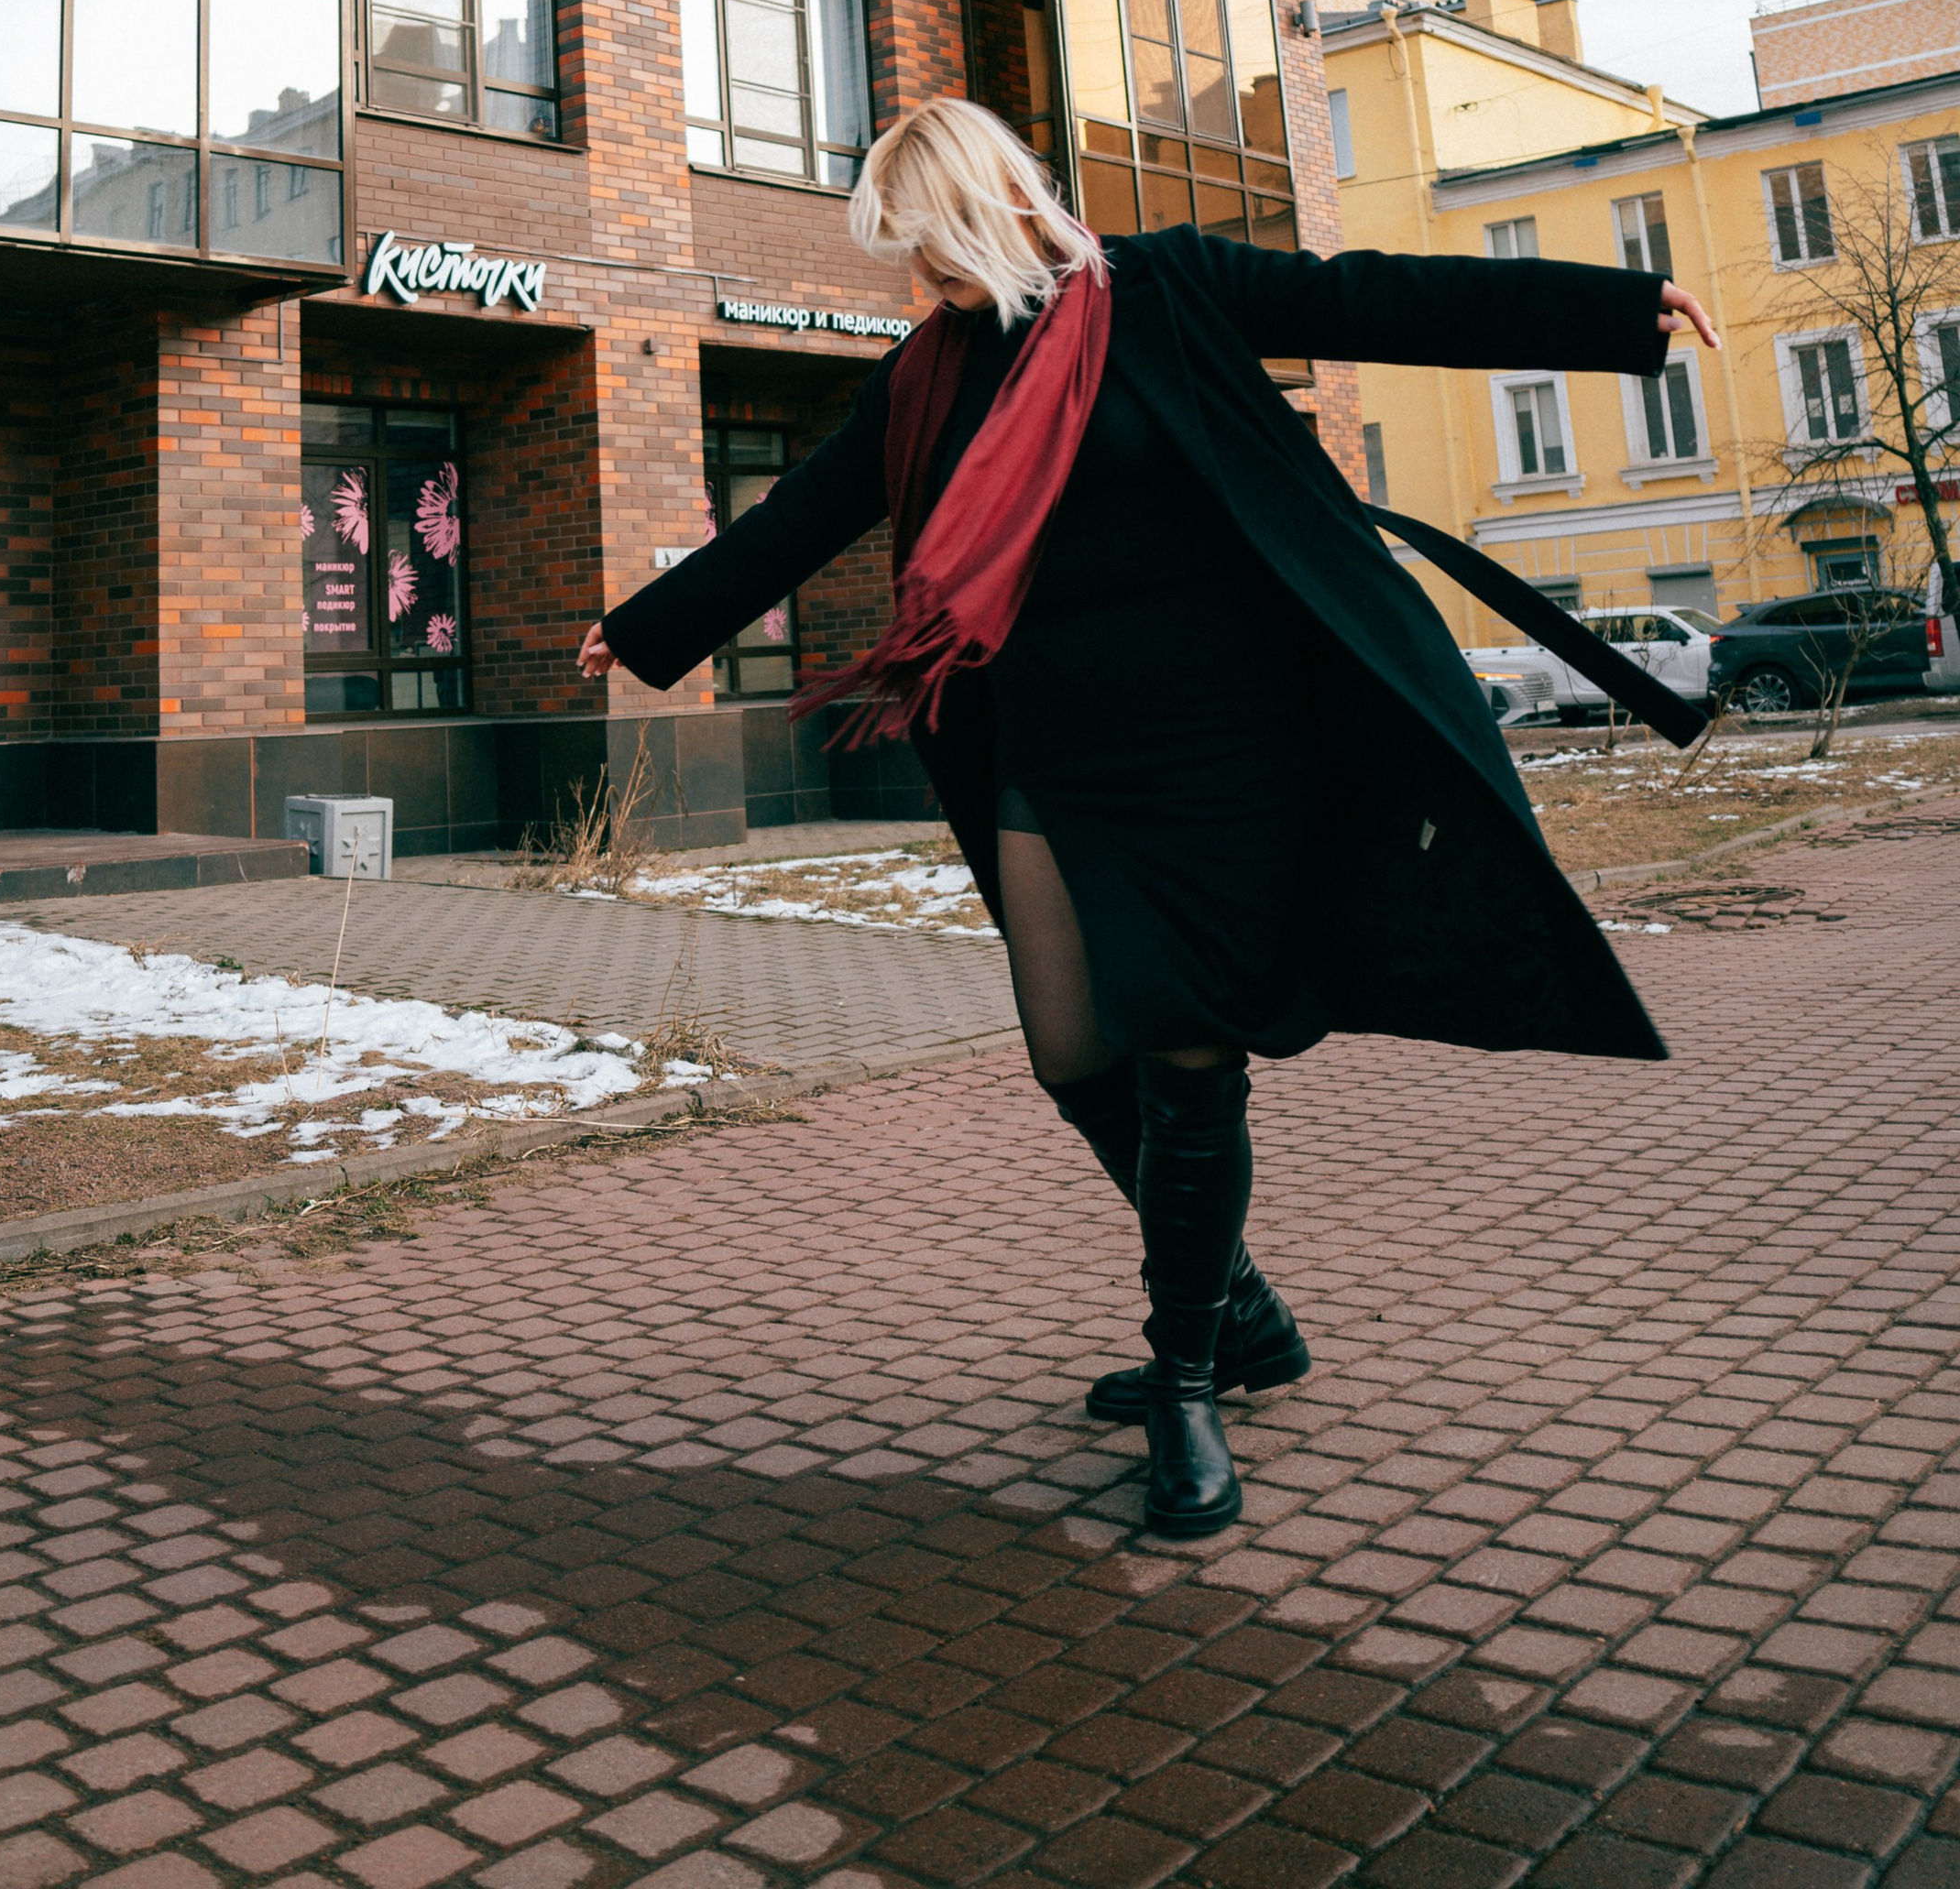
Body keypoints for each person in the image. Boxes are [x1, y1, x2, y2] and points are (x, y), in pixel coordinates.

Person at [580, 97, 1720, 1541]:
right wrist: (643, 630)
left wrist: (1618, 310)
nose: (915, 279)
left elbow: (1375, 294)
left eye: (922, 245)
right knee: (1072, 1051)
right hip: (1047, 752)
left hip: (1218, 746)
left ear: (983, 207)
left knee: (1186, 1046)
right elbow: (803, 516)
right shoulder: (926, 378)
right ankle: (1235, 1304)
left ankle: (1188, 1372)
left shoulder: (1165, 290)